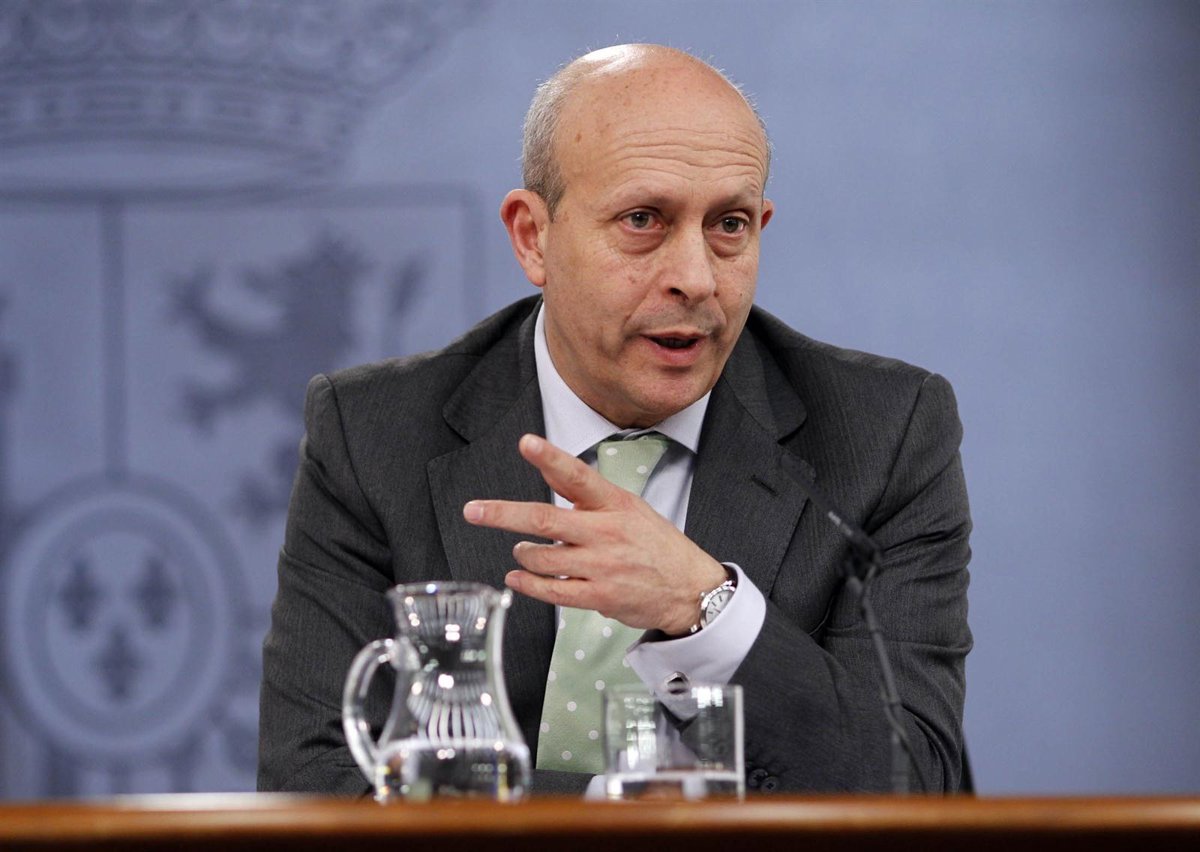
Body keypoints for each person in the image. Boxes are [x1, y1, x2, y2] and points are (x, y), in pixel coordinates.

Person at [258, 44, 972, 796]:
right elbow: (311, 780)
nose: (696, 278)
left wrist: (706, 609)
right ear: (533, 237)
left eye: (729, 224)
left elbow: (915, 786)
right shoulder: (373, 434)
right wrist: (612, 819)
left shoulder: (884, 434)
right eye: (642, 220)